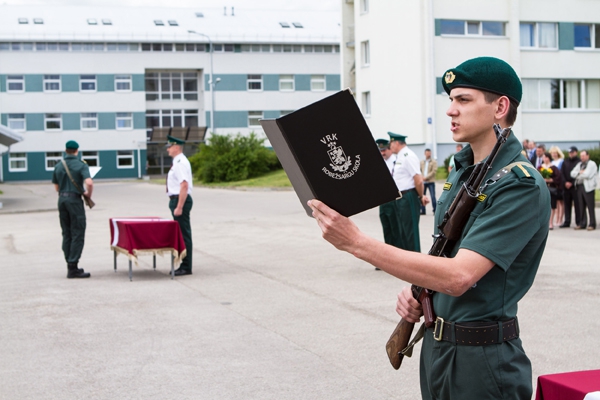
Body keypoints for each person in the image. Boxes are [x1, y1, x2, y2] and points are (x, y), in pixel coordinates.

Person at [308, 56, 550, 399]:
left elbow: (459, 276)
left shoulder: (518, 184)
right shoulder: (462, 170)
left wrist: (356, 243)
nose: (451, 110)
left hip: (482, 360)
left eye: (463, 100)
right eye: (450, 100)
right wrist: (420, 291)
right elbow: (445, 252)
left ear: (500, 107)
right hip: (438, 348)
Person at [52, 140, 93, 279]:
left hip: (62, 200)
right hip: (74, 201)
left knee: (66, 232)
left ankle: (69, 262)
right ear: (76, 151)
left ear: (65, 150)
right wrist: (88, 194)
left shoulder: (58, 166)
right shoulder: (81, 165)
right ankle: (73, 267)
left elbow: (56, 188)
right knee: (78, 232)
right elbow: (89, 182)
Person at [387, 132, 427, 252]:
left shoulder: (408, 155)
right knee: (403, 232)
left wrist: (421, 196)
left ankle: (417, 263)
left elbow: (418, 180)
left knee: (410, 232)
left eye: (391, 143)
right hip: (400, 198)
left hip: (408, 196)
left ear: (397, 143)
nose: (390, 146)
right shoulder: (400, 156)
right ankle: (408, 263)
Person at [166, 135, 194, 275]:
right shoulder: (178, 161)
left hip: (180, 199)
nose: (168, 150)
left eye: (169, 147)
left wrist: (179, 206)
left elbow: (184, 185)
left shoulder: (180, 162)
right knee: (182, 233)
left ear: (176, 147)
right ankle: (184, 263)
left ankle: (186, 266)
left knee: (184, 234)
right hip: (177, 199)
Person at [571, 150, 597, 231]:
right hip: (579, 187)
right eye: (581, 156)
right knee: (581, 206)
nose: (582, 157)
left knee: (590, 206)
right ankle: (582, 223)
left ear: (587, 156)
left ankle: (592, 224)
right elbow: (572, 173)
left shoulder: (592, 164)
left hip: (588, 188)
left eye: (583, 155)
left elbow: (587, 175)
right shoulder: (579, 164)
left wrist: (578, 174)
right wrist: (580, 172)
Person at [560, 146, 581, 228]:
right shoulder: (565, 161)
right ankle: (567, 221)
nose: (571, 154)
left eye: (572, 152)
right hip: (566, 187)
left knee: (577, 205)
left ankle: (578, 221)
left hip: (574, 186)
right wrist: (565, 182)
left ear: (576, 152)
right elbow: (562, 173)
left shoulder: (579, 162)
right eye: (570, 152)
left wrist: (572, 183)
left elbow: (578, 173)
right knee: (567, 205)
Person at [540, 152, 562, 230]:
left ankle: (550, 222)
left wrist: (550, 180)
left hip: (551, 189)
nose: (543, 159)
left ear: (548, 158)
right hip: (542, 188)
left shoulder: (553, 168)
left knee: (552, 206)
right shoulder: (540, 167)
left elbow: (558, 178)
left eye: (544, 157)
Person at [549, 146, 565, 227]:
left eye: (555, 153)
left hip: (560, 183)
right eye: (553, 153)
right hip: (554, 185)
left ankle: (560, 218)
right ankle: (556, 218)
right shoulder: (552, 162)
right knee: (556, 203)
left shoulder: (561, 161)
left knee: (560, 203)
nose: (554, 154)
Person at [420, 148, 437, 215]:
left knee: (433, 196)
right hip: (423, 182)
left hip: (430, 182)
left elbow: (434, 171)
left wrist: (426, 177)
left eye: (429, 153)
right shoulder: (422, 162)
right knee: (422, 196)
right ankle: (423, 210)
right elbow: (419, 170)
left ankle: (435, 210)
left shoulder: (433, 162)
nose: (428, 154)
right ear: (425, 154)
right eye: (427, 153)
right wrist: (422, 177)